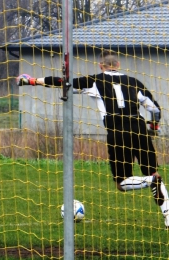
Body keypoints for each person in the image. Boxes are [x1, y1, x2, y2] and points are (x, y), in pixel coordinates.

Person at [17, 49, 169, 229]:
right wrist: (154, 126)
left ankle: (149, 182)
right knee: (153, 172)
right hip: (140, 129)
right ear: (118, 64)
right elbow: (155, 109)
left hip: (117, 131)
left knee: (122, 182)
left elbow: (63, 83)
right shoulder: (135, 82)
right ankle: (167, 216)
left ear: (100, 65)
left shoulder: (95, 81)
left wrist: (33, 81)